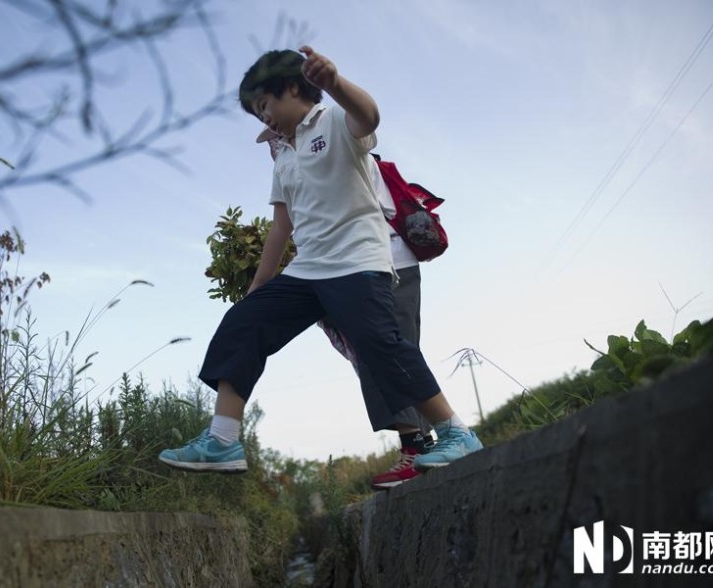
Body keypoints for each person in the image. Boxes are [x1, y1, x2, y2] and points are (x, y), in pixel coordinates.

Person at [158, 46, 482, 474]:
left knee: (379, 346)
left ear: (292, 88)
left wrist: (335, 83)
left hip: (357, 262)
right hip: (308, 270)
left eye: (265, 105)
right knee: (243, 323)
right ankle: (222, 440)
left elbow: (369, 116)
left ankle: (457, 432)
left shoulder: (333, 121)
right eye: (257, 114)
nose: (264, 118)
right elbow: (281, 228)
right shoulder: (283, 158)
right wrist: (257, 291)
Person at [259, 126, 435, 490]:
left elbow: (311, 219)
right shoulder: (308, 162)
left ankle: (419, 448)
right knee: (387, 351)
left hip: (381, 260)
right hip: (365, 263)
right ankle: (425, 446)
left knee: (384, 351)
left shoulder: (332, 148)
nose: (277, 149)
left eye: (279, 139)